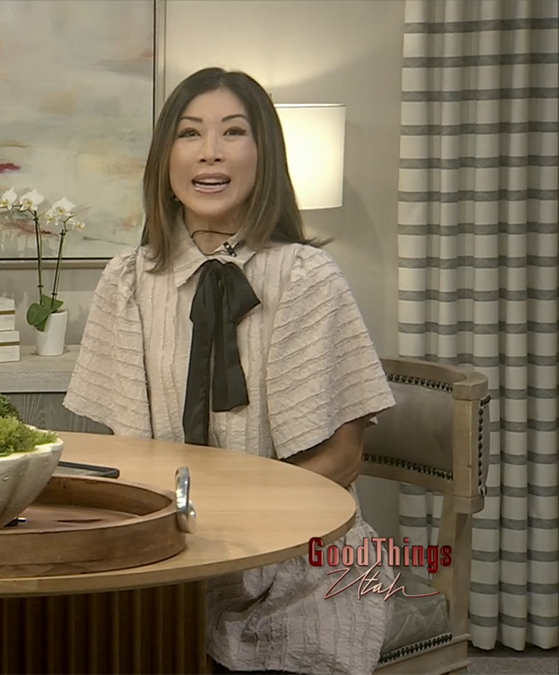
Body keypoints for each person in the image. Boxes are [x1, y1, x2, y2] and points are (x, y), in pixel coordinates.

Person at [64, 67, 397, 675]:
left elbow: (344, 459)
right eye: (190, 133)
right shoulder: (126, 281)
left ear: (263, 155)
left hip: (301, 549)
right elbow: (125, 451)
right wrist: (179, 534)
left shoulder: (307, 278)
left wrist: (234, 531)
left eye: (233, 132)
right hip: (172, 544)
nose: (210, 151)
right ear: (166, 160)